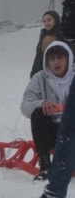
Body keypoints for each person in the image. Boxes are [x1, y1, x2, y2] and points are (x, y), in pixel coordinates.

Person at [21, 41, 75, 181]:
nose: (56, 62)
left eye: (60, 57)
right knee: (38, 113)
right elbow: (25, 105)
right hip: (52, 132)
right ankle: (45, 166)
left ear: (68, 58)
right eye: (52, 59)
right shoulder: (39, 78)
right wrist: (42, 104)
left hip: (72, 130)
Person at [30, 11, 62, 79]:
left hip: (59, 75)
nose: (46, 23)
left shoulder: (63, 36)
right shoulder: (43, 36)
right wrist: (33, 74)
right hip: (44, 75)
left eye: (49, 20)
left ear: (56, 20)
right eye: (44, 21)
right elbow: (38, 57)